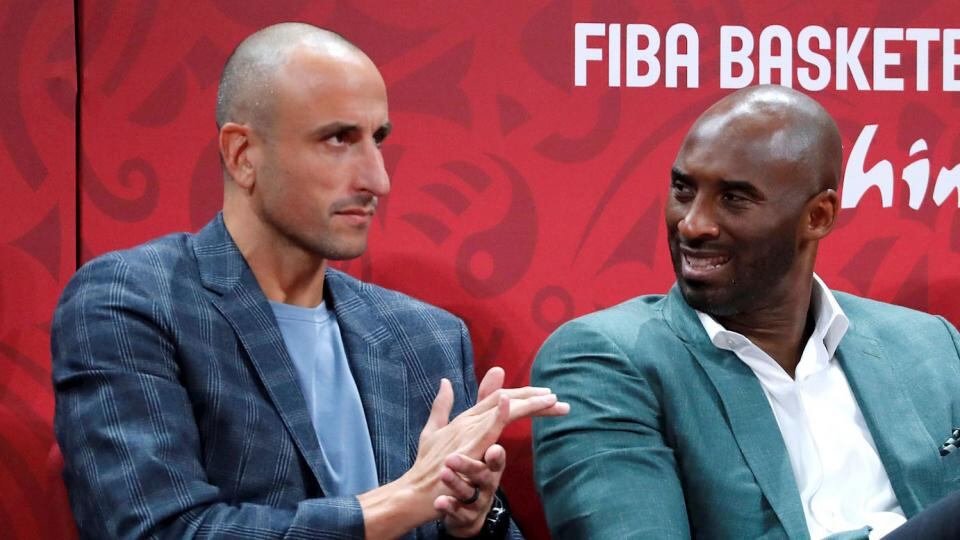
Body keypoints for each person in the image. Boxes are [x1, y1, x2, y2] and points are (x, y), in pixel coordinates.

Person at [52, 23, 567, 539]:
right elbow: (155, 530)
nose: (378, 180)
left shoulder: (427, 336)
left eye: (378, 139)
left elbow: (462, 514)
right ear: (242, 154)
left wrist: (473, 522)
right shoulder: (132, 303)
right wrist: (403, 502)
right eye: (339, 139)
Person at [531, 85, 960, 539]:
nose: (692, 224)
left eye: (734, 198)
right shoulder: (603, 362)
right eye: (683, 189)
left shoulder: (931, 346)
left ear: (818, 216)